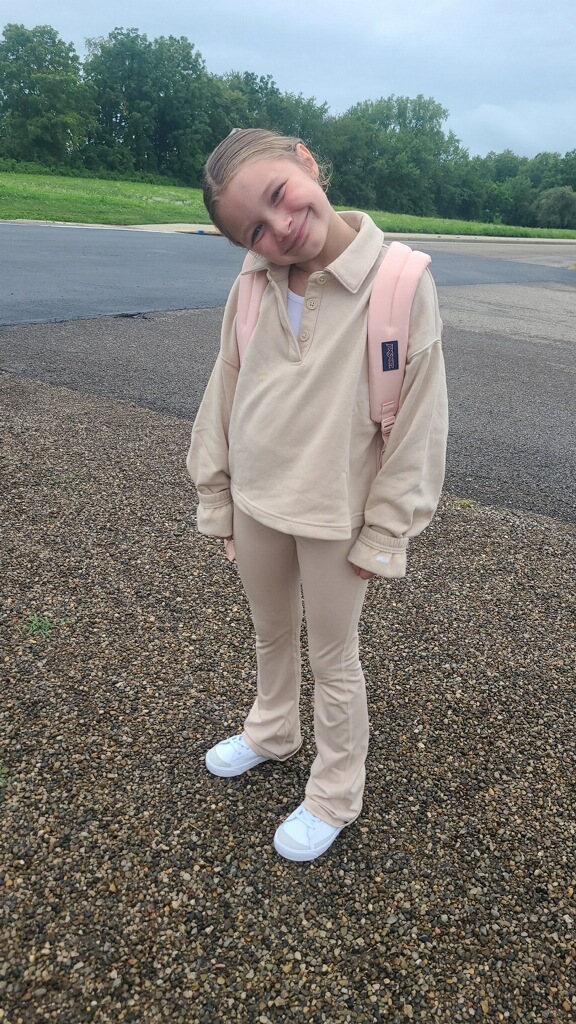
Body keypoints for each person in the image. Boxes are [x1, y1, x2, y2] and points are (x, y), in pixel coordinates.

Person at [187, 128, 448, 863]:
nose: (279, 227)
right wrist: (218, 497)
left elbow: (420, 423)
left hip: (336, 514)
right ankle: (273, 729)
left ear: (305, 160)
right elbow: (225, 389)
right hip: (256, 501)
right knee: (270, 633)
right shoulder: (252, 284)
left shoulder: (401, 281)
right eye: (254, 231)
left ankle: (334, 791)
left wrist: (386, 531)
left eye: (279, 194)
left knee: (334, 660)